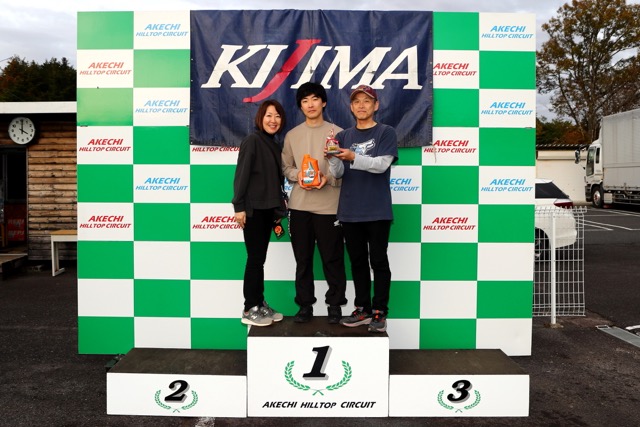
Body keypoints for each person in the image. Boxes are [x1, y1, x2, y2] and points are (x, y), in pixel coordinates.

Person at [327, 84, 398, 333]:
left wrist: (352, 157)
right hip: (349, 210)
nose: (361, 105)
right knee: (357, 262)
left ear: (376, 105)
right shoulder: (343, 136)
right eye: (356, 101)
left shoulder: (386, 132)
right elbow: (338, 173)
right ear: (351, 107)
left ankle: (380, 311)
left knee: (378, 261)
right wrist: (332, 158)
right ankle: (363, 308)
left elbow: (381, 165)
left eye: (367, 101)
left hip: (377, 210)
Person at [282, 82, 347, 324]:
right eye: (305, 100)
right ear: (300, 106)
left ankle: (335, 305)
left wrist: (328, 179)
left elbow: (345, 171)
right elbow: (285, 167)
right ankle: (304, 305)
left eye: (315, 99)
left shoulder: (338, 133)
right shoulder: (292, 135)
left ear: (324, 102)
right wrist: (297, 175)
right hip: (299, 207)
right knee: (303, 260)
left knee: (333, 259)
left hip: (330, 207)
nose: (310, 104)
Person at [232, 99, 287, 327]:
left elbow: (274, 181)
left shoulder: (275, 144)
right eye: (268, 115)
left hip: (268, 210)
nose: (273, 120)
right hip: (253, 210)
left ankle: (259, 302)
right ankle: (249, 308)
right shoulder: (252, 140)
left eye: (277, 116)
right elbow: (241, 175)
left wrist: (277, 210)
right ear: (260, 118)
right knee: (255, 260)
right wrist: (239, 207)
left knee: (259, 260)